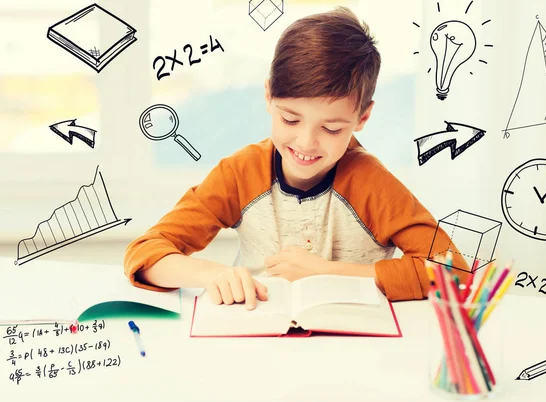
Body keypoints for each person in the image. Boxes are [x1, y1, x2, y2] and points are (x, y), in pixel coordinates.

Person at [123, 6, 470, 310]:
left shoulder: (371, 184)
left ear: (362, 118)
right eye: (290, 119)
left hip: (358, 352)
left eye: (332, 128)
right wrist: (213, 274)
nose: (306, 142)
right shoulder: (241, 173)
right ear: (269, 96)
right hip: (260, 339)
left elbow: (455, 273)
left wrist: (328, 272)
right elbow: (145, 253)